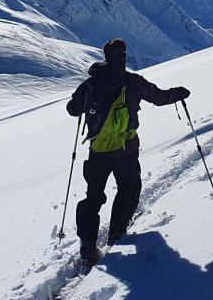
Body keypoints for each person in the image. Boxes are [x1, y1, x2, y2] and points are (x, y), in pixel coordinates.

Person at [66, 38, 190, 268]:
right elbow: (160, 97)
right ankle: (117, 234)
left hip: (97, 150)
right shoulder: (132, 82)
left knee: (93, 197)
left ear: (105, 56)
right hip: (126, 149)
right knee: (128, 188)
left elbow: (72, 109)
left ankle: (87, 247)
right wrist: (179, 93)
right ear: (123, 56)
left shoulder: (90, 84)